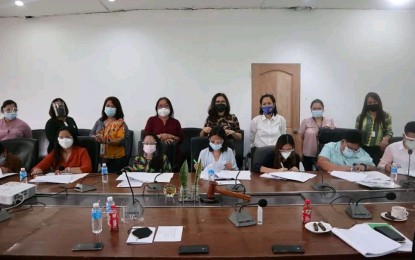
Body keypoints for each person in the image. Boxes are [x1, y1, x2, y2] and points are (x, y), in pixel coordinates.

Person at [90, 96, 128, 173]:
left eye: (113, 106)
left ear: (117, 109)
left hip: (116, 159)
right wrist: (96, 137)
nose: (110, 108)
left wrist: (106, 140)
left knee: (110, 179)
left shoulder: (120, 123)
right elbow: (91, 134)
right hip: (101, 157)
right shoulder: (100, 121)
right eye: (107, 106)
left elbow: (121, 140)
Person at [144, 97, 183, 168]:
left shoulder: (176, 122)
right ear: (156, 108)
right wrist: (159, 137)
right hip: (155, 154)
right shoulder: (151, 120)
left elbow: (181, 139)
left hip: (173, 155)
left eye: (166, 105)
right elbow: (146, 135)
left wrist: (170, 136)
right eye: (160, 106)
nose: (163, 108)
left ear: (170, 108)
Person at [355, 92, 393, 165]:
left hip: (379, 149)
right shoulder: (361, 117)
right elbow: (356, 132)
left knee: (376, 169)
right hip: (363, 149)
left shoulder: (386, 116)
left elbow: (389, 131)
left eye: (374, 102)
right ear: (366, 104)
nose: (372, 104)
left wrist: (386, 138)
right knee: (363, 169)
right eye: (370, 102)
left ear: (378, 102)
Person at [298, 99, 335, 171]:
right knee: (308, 174)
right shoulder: (306, 121)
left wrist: (332, 130)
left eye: (319, 108)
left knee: (323, 175)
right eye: (314, 108)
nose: (317, 110)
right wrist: (300, 151)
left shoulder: (329, 122)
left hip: (324, 155)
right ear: (311, 110)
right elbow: (300, 137)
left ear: (323, 109)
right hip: (308, 154)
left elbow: (333, 139)